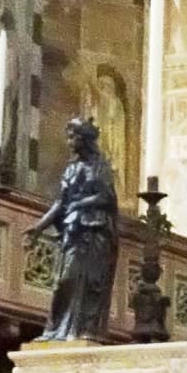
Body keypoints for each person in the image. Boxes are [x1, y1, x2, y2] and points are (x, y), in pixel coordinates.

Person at [39, 114, 123, 339]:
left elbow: (107, 198)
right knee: (63, 280)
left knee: (89, 284)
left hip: (95, 232)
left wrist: (79, 202)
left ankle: (83, 329)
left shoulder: (101, 167)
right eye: (68, 137)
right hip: (73, 231)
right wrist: (39, 227)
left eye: (73, 137)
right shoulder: (71, 170)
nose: (69, 142)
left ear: (84, 139)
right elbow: (60, 202)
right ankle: (56, 329)